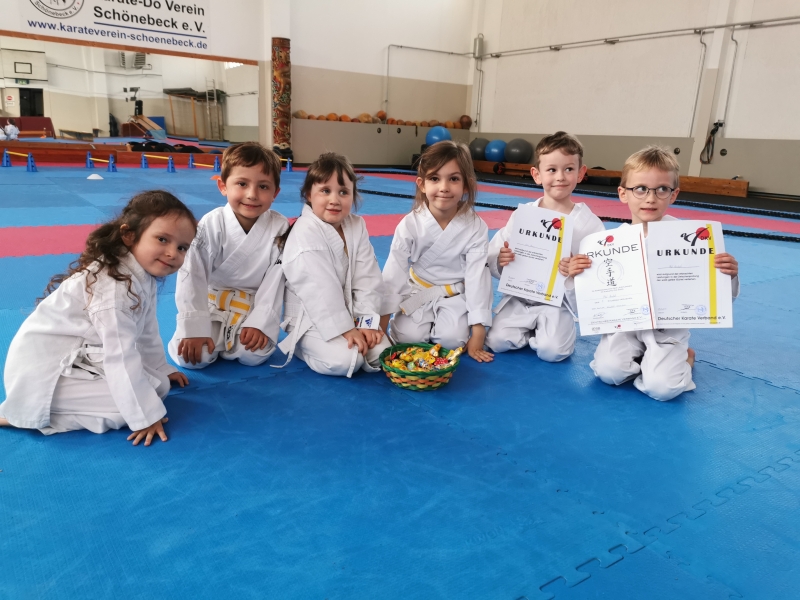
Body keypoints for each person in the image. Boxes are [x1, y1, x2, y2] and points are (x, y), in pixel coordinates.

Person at [0, 191, 197, 445]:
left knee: (157, 385)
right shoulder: (113, 289)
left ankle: (35, 409)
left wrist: (161, 368)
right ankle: (24, 414)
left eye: (182, 247)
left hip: (79, 359)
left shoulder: (139, 274)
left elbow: (147, 329)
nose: (172, 253)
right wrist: (145, 416)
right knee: (127, 410)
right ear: (129, 235)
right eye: (162, 239)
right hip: (47, 371)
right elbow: (120, 355)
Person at [573, 146, 740, 401]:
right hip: (625, 325)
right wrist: (577, 274)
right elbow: (591, 295)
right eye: (640, 188)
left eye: (661, 189)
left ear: (674, 194)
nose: (650, 198)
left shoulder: (691, 239)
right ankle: (646, 359)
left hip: (667, 328)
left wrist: (728, 275)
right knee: (609, 372)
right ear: (623, 193)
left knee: (662, 389)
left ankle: (684, 358)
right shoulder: (608, 243)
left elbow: (717, 297)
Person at [485, 131, 605, 361]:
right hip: (520, 297)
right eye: (551, 170)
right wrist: (501, 259)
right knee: (496, 342)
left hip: (558, 302)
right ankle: (530, 330)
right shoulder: (523, 215)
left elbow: (598, 273)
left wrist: (575, 271)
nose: (560, 176)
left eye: (568, 169)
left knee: (553, 352)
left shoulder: (589, 224)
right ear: (536, 175)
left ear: (581, 173)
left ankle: (548, 331)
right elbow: (495, 252)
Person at [168, 142, 288, 369]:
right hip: (212, 303)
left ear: (275, 193)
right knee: (193, 359)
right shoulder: (211, 223)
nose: (252, 195)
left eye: (263, 186)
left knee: (253, 355)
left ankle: (240, 334)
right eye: (242, 184)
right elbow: (192, 274)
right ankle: (208, 335)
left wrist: (260, 322)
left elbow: (276, 278)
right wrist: (194, 327)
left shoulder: (279, 226)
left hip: (252, 306)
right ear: (223, 186)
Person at [278, 152, 391, 377]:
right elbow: (319, 288)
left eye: (343, 192)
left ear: (353, 196)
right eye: (325, 191)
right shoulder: (305, 232)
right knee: (347, 360)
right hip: (310, 318)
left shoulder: (356, 226)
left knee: (382, 353)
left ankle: (352, 330)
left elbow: (368, 278)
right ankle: (300, 346)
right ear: (309, 194)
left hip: (348, 312)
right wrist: (346, 329)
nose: (335, 200)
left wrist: (366, 322)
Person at [381, 140, 494, 362]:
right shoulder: (410, 224)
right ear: (422, 184)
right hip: (418, 290)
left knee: (452, 341)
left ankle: (455, 324)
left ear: (467, 185)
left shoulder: (476, 227)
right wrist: (381, 327)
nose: (444, 187)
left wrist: (479, 331)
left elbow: (477, 277)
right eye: (434, 178)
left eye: (454, 179)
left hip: (455, 294)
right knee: (407, 338)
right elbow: (393, 274)